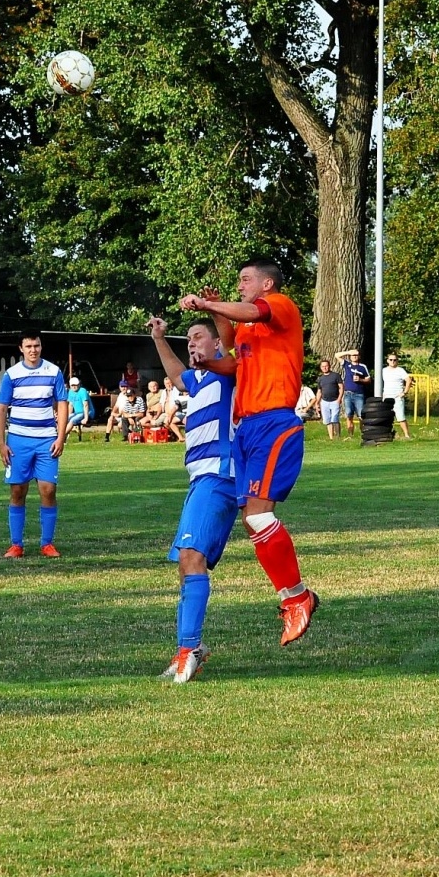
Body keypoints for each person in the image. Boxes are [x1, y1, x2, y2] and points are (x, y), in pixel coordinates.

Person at [180, 259, 320, 645]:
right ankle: (295, 597)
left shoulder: (281, 306)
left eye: (246, 279)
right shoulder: (247, 328)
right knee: (252, 521)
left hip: (274, 422)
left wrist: (210, 307)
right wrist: (210, 356)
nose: (240, 285)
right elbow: (235, 357)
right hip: (248, 429)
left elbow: (252, 312)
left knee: (259, 518)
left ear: (267, 283)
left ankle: (296, 598)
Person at [148, 315, 238, 682]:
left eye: (198, 337)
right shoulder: (198, 381)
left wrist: (215, 308)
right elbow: (175, 374)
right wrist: (159, 337)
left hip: (219, 475)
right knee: (185, 567)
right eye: (188, 339)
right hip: (199, 479)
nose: (191, 343)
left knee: (192, 557)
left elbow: (231, 345)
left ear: (217, 344)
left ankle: (190, 649)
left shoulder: (228, 372)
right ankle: (188, 648)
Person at [0, 330, 69, 557]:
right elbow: (1, 409)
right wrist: (1, 442)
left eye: (36, 345)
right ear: (21, 348)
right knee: (18, 490)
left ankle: (47, 543)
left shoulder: (54, 371)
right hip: (18, 440)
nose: (33, 350)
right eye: (28, 346)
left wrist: (60, 436)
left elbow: (62, 404)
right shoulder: (11, 374)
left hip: (46, 440)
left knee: (48, 490)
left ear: (41, 346)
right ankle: (16, 545)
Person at [337, 349, 371, 436]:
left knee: (361, 415)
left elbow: (368, 380)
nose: (354, 356)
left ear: (359, 356)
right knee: (349, 415)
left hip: (359, 394)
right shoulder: (347, 364)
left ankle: (363, 434)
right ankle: (350, 435)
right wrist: (349, 352)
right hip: (348, 394)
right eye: (353, 355)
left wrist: (360, 380)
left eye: (356, 355)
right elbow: (337, 355)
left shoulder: (362, 367)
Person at [382, 353, 414, 440]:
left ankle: (407, 435)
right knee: (385, 416)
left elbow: (408, 380)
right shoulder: (383, 370)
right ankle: (387, 434)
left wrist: (405, 392)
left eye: (395, 360)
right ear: (388, 361)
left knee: (400, 417)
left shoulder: (400, 370)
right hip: (386, 397)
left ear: (397, 361)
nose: (393, 362)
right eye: (391, 360)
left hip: (397, 397)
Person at [315, 359, 342, 441]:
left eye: (326, 366)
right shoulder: (320, 378)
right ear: (321, 368)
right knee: (327, 420)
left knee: (335, 419)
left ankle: (338, 437)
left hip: (335, 401)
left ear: (329, 366)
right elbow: (319, 391)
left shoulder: (335, 375)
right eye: (323, 366)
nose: (325, 368)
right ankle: (331, 438)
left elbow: (341, 387)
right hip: (324, 401)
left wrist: (339, 398)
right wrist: (317, 403)